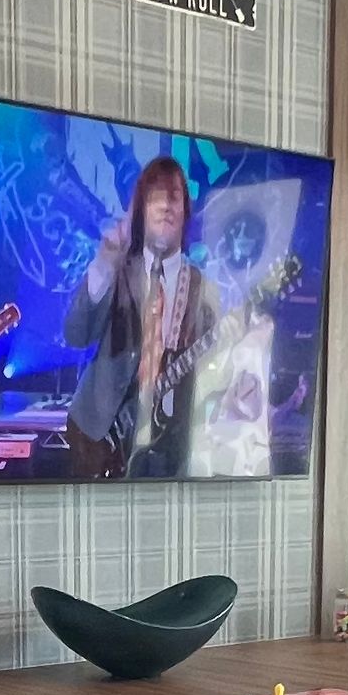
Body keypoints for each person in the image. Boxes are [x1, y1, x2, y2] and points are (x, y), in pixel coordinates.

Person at [60, 157, 218, 478]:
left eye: (173, 196)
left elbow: (212, 371)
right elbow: (76, 334)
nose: (165, 206)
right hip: (99, 438)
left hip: (169, 445)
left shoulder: (201, 287)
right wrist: (104, 265)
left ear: (186, 212)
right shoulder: (117, 271)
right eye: (154, 197)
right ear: (139, 212)